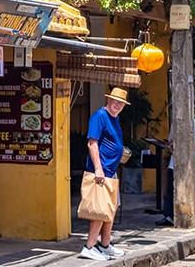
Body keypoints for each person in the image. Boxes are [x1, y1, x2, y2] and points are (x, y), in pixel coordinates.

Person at [79, 87, 129, 261]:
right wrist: (98, 168)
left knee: (110, 209)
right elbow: (92, 143)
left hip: (111, 171)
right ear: (108, 100)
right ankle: (89, 246)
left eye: (121, 103)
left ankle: (105, 245)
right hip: (101, 172)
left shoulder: (115, 118)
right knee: (100, 210)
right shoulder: (100, 116)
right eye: (115, 101)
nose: (118, 105)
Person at [157, 109, 195, 226]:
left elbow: (193, 144)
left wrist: (178, 147)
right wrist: (171, 145)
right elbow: (170, 140)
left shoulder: (193, 123)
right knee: (171, 188)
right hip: (175, 160)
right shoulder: (175, 123)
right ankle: (169, 215)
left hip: (190, 162)